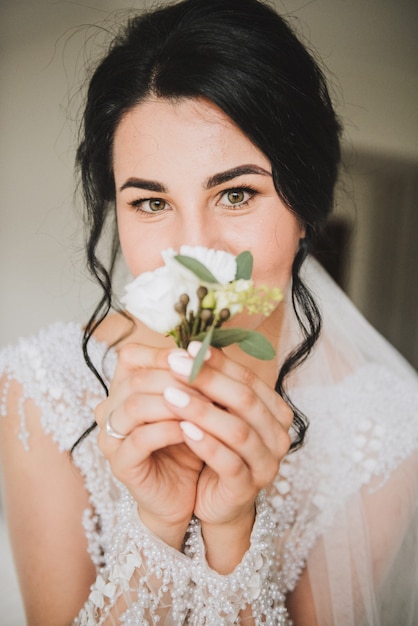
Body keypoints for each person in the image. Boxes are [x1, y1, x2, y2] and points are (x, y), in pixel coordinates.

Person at [0, 0, 417, 624]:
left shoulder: (383, 425)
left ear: (304, 206)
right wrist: (158, 524)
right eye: (150, 203)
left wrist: (231, 533)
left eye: (237, 192)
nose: (194, 250)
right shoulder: (40, 390)